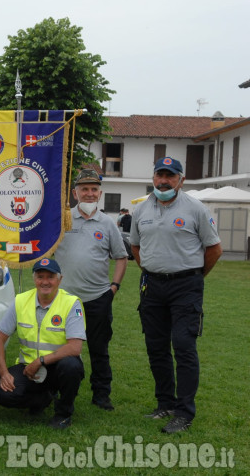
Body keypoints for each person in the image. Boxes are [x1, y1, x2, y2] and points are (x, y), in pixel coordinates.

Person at [129, 157, 222, 434]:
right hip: (153, 287)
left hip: (186, 287)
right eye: (160, 175)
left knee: (183, 346)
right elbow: (135, 246)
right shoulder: (141, 209)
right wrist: (151, 270)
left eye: (170, 176)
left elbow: (214, 249)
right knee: (156, 347)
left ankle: (184, 412)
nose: (164, 181)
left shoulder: (196, 209)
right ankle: (165, 404)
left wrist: (193, 277)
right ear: (153, 177)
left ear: (181, 180)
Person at [54, 169, 127, 411]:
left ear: (100, 193)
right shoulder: (62, 219)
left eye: (93, 189)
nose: (89, 193)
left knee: (99, 349)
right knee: (59, 347)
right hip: (64, 299)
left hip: (97, 298)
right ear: (75, 193)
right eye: (84, 189)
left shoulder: (107, 223)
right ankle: (58, 389)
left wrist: (113, 287)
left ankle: (101, 394)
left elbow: (121, 257)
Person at [0, 258, 86, 430]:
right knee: (5, 395)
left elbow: (75, 347)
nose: (45, 282)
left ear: (59, 279)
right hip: (27, 368)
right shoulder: (20, 301)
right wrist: (4, 373)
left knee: (71, 366)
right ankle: (44, 398)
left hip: (58, 368)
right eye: (40, 276)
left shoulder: (72, 303)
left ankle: (63, 414)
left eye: (50, 277)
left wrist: (40, 361)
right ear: (34, 279)